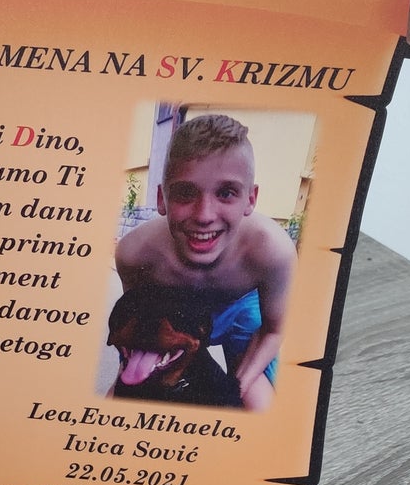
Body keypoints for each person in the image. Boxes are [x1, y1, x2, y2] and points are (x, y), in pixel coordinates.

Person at [115, 112, 293, 410]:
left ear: (251, 199)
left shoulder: (272, 251)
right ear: (161, 199)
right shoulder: (135, 253)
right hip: (174, 317)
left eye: (226, 193)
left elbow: (273, 331)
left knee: (262, 409)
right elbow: (132, 329)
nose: (204, 215)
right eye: (185, 193)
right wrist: (136, 374)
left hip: (241, 313)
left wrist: (232, 388)